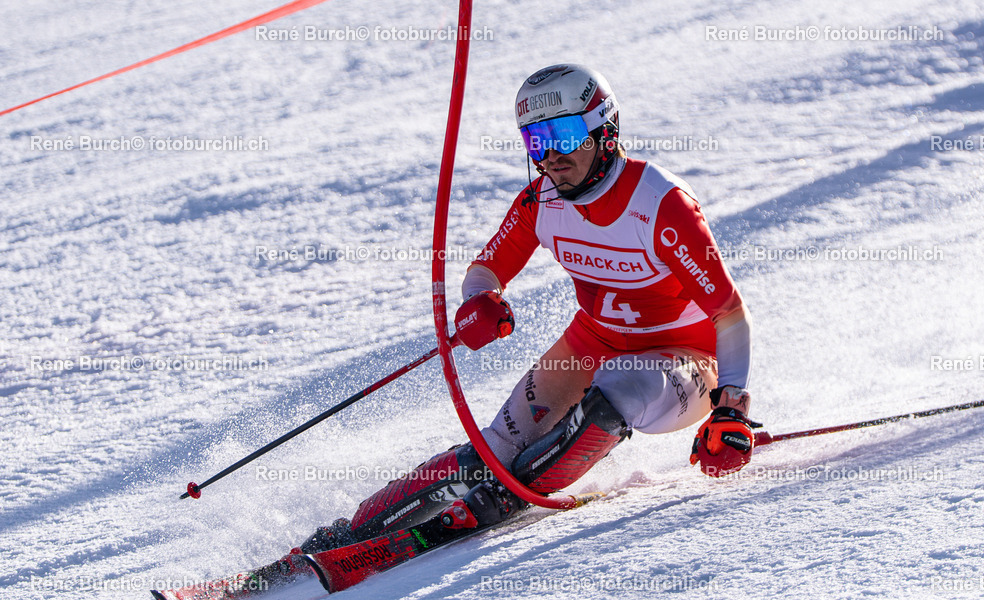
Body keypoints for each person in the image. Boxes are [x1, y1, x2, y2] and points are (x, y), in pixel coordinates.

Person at [297, 63, 759, 554]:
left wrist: (731, 409)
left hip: (684, 362)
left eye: (563, 134)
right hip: (592, 342)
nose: (551, 156)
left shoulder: (661, 204)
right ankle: (352, 532)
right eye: (536, 141)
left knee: (618, 390)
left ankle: (499, 500)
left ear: (605, 129)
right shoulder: (542, 201)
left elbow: (729, 314)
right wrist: (478, 303)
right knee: (494, 448)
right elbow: (485, 268)